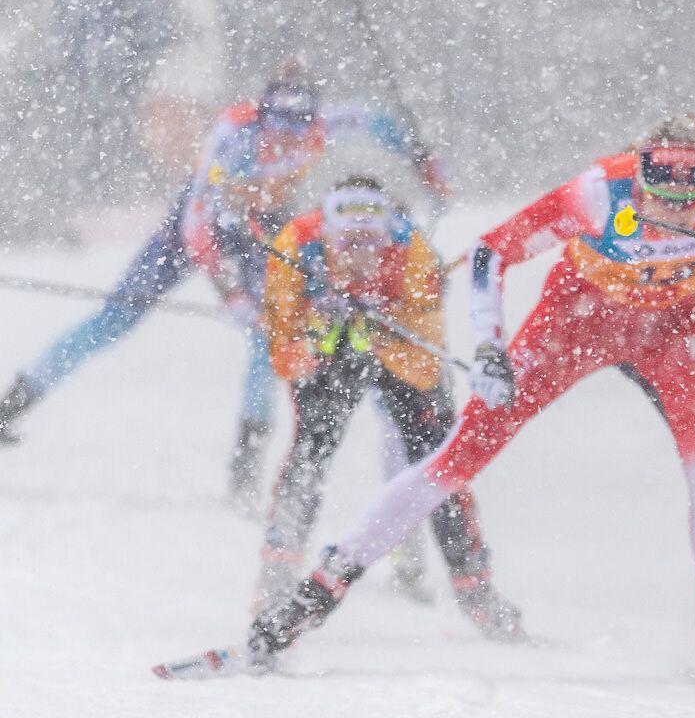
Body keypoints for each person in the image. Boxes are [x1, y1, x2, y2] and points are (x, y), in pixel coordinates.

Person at [233, 113, 695, 671]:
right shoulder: (598, 193)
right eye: (659, 179)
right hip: (576, 319)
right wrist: (488, 345)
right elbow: (489, 254)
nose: (675, 199)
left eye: (693, 182)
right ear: (637, 169)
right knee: (459, 457)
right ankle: (316, 593)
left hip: (670, 327)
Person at [0, 58, 450, 509]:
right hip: (198, 228)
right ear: (262, 114)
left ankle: (245, 467)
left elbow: (376, 122)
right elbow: (197, 227)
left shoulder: (321, 128)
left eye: (298, 125)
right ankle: (12, 405)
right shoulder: (233, 133)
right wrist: (231, 291)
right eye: (277, 122)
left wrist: (422, 160)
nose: (285, 136)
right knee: (115, 318)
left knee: (266, 334)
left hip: (259, 232)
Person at [257, 176, 521, 638]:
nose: (360, 255)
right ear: (327, 233)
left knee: (441, 461)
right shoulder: (295, 244)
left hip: (398, 354)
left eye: (371, 243)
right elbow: (284, 351)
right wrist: (321, 334)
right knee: (310, 451)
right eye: (348, 243)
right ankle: (275, 580)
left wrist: (380, 327)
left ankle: (475, 589)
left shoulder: (411, 250)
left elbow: (425, 362)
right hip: (331, 356)